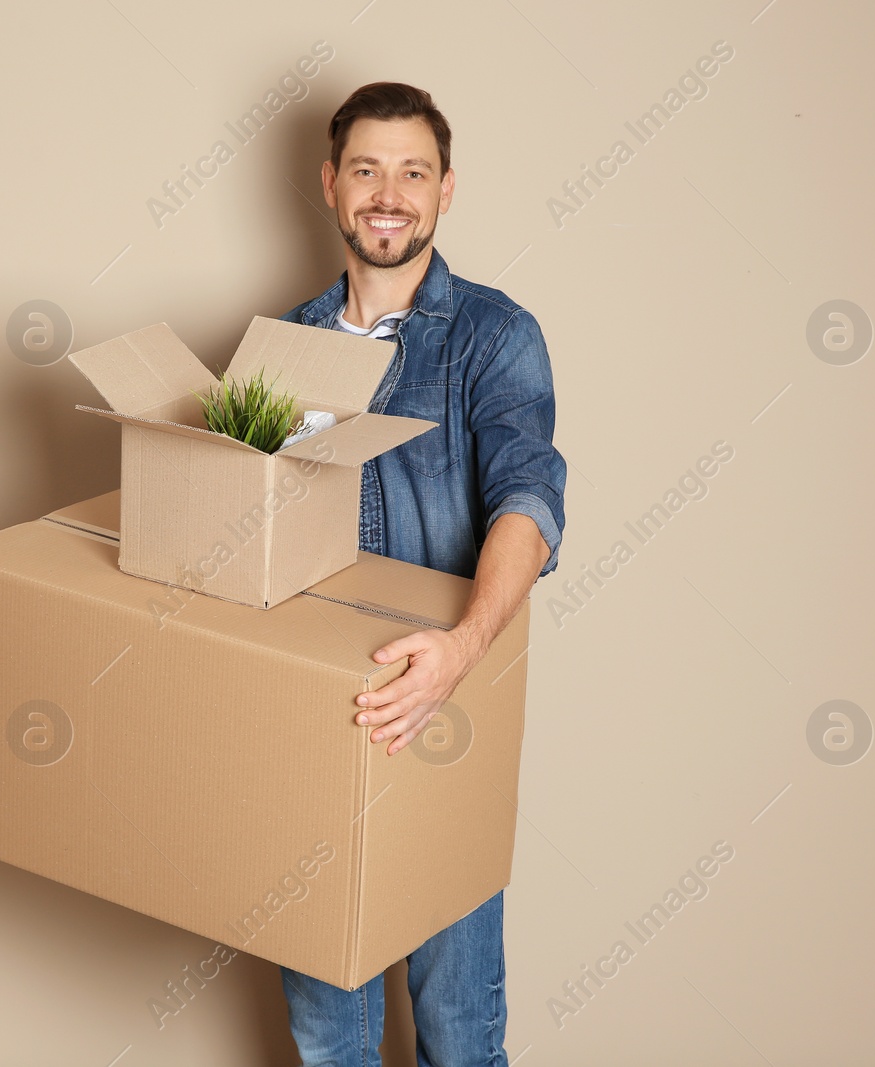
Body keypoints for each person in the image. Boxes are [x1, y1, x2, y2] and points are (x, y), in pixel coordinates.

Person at [276, 82, 568, 1067]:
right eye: (365, 169)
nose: (386, 193)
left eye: (410, 172)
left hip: (444, 719)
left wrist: (460, 649)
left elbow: (528, 500)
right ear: (330, 185)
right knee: (328, 1035)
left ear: (445, 190)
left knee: (458, 1032)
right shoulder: (283, 345)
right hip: (310, 726)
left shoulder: (493, 335)